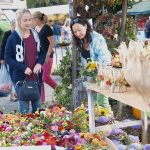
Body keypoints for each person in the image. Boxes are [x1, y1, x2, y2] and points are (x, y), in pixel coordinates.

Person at [4, 9, 44, 114]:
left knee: (38, 109)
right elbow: (7, 57)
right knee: (25, 110)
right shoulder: (13, 37)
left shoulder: (35, 35)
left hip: (36, 76)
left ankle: (38, 130)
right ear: (19, 21)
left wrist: (39, 63)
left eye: (30, 20)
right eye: (25, 20)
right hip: (20, 78)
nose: (28, 23)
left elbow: (42, 53)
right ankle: (26, 129)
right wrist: (23, 68)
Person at [70, 17, 112, 107]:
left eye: (79, 30)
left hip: (101, 73)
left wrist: (101, 73)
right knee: (94, 102)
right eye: (75, 32)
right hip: (91, 75)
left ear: (85, 26)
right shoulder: (82, 40)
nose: (77, 33)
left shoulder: (97, 38)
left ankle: (109, 119)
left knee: (102, 102)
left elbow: (105, 58)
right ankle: (97, 120)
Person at [32, 11, 57, 104]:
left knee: (45, 77)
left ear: (37, 19)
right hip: (38, 57)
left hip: (47, 56)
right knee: (40, 79)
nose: (32, 21)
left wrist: (47, 55)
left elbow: (52, 42)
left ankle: (59, 89)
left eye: (33, 19)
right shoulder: (35, 28)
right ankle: (42, 101)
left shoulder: (46, 28)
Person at [0, 19, 17, 101]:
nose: (14, 25)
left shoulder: (19, 33)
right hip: (8, 59)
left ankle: (15, 94)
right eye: (13, 24)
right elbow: (3, 46)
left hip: (17, 59)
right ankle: (12, 95)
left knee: (15, 76)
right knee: (11, 77)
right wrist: (2, 58)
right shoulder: (7, 33)